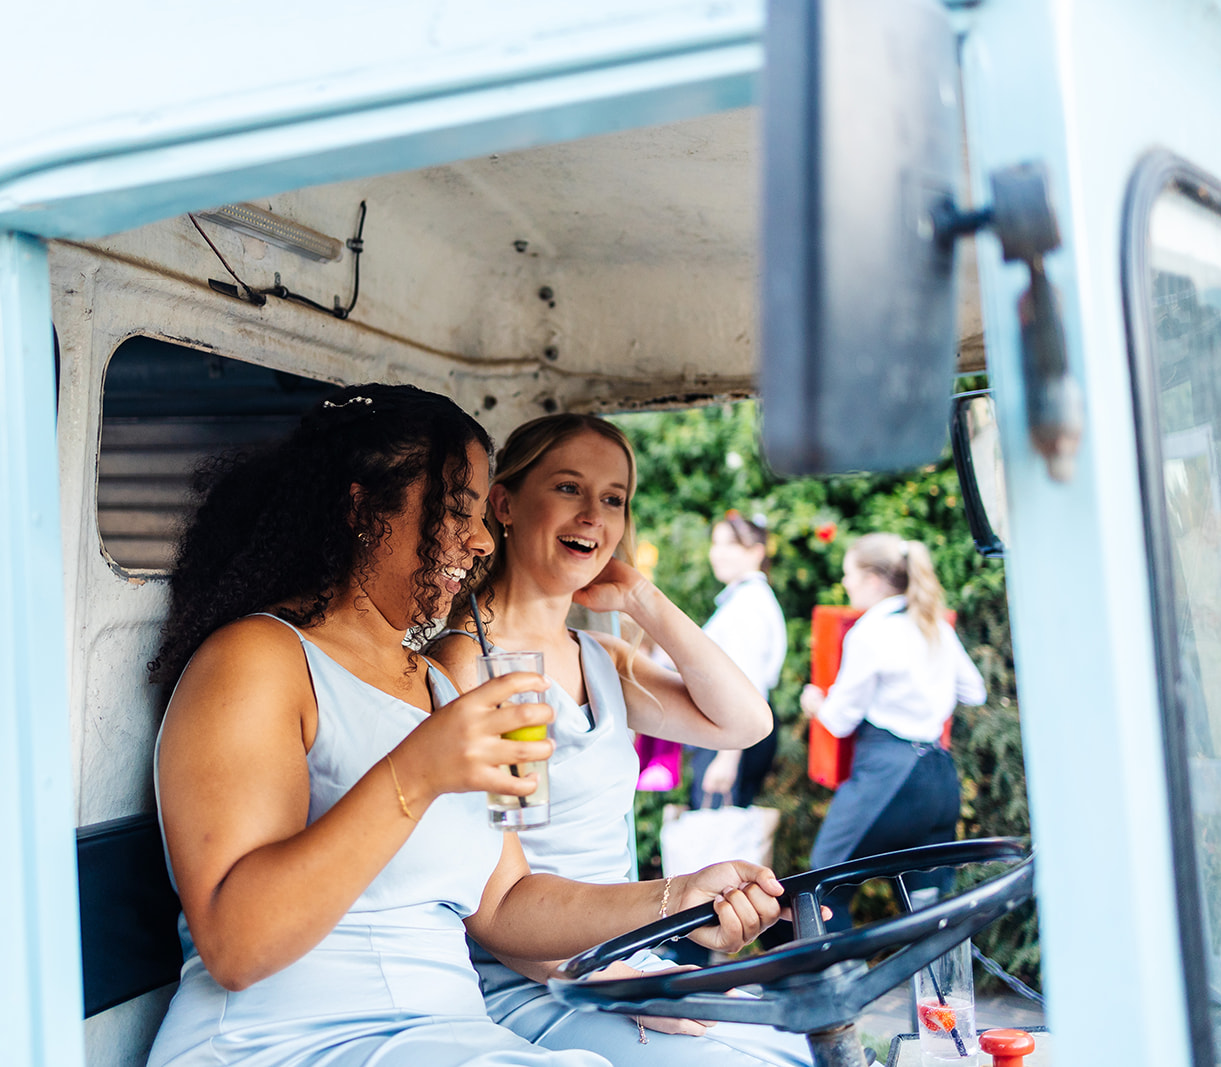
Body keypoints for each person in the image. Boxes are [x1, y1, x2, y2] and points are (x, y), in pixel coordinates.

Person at [144, 384, 783, 1067]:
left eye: (477, 515)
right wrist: (416, 772)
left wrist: (674, 895)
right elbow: (237, 947)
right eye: (455, 511)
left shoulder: (439, 684)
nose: (478, 541)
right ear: (363, 508)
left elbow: (507, 904)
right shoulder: (259, 657)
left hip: (445, 1036)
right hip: (284, 1040)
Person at [430, 414, 811, 1066]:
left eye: (613, 499)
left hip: (625, 962)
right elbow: (497, 911)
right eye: (569, 488)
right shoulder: (477, 666)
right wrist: (625, 986)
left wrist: (639, 595)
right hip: (533, 983)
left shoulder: (600, 654)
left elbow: (747, 721)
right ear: (505, 503)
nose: (593, 516)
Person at [800, 532, 987, 892]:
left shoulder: (871, 631)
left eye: (849, 574)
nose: (845, 583)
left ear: (872, 580)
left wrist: (814, 704)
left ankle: (844, 953)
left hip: (888, 774)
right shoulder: (932, 623)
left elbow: (840, 721)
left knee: (821, 883)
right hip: (939, 776)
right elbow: (974, 692)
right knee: (926, 900)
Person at [685, 512, 788, 811]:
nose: (718, 553)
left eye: (730, 544)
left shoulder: (748, 605)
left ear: (757, 552)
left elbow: (748, 683)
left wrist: (728, 758)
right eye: (715, 543)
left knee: (717, 839)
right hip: (735, 732)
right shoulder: (742, 599)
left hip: (734, 736)